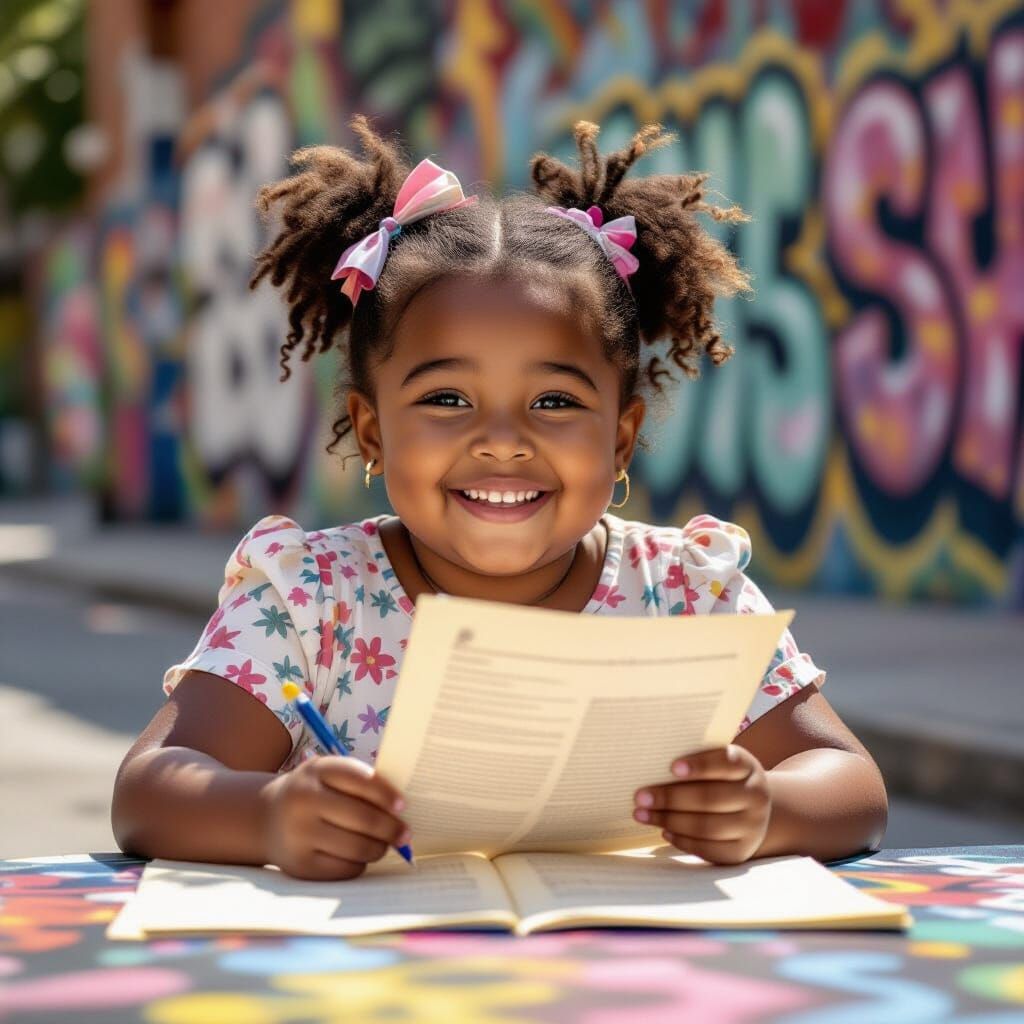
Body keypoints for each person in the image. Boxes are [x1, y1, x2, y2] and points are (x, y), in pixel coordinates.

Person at [112, 116, 887, 881]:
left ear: (620, 438)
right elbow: (149, 791)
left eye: (553, 402)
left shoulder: (687, 591)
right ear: (372, 430)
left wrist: (766, 810)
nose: (503, 439)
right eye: (447, 399)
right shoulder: (313, 599)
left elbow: (851, 784)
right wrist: (269, 817)